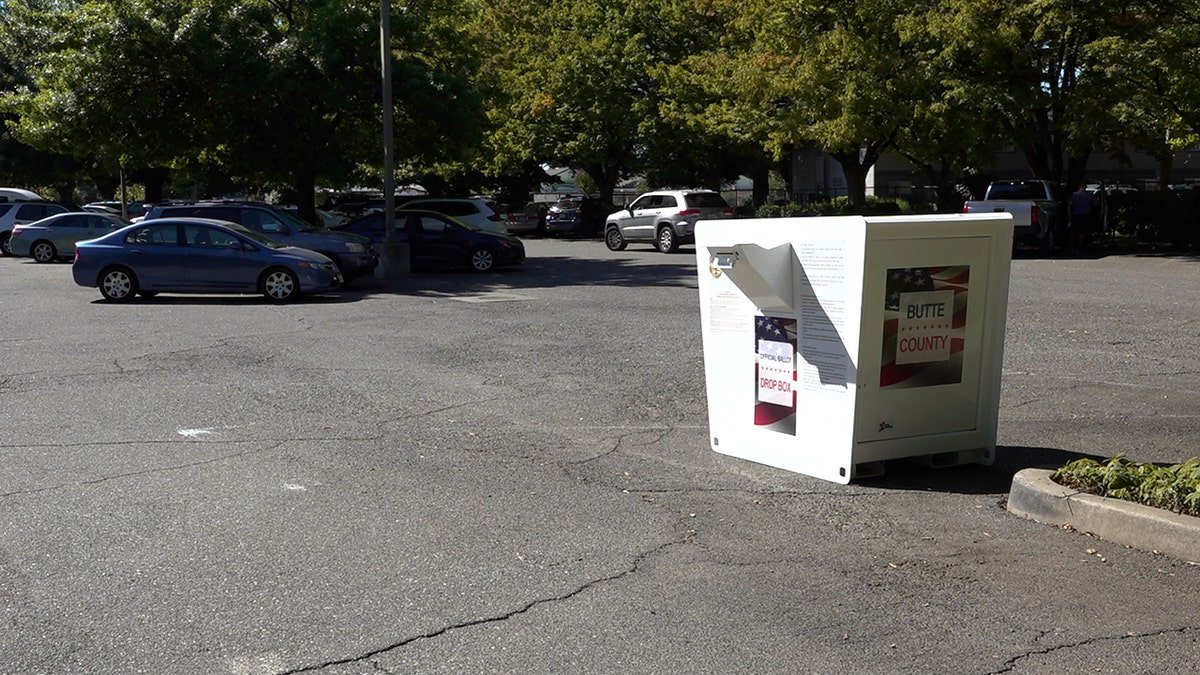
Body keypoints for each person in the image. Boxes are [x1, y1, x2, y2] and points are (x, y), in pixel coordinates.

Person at [1069, 182, 1096, 252]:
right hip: (1085, 214)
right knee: (1082, 232)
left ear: (1079, 186)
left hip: (1075, 214)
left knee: (1074, 231)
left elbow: (1070, 203)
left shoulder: (1074, 194)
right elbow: (1095, 203)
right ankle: (1079, 247)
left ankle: (1072, 247)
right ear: (1085, 187)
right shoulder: (1090, 194)